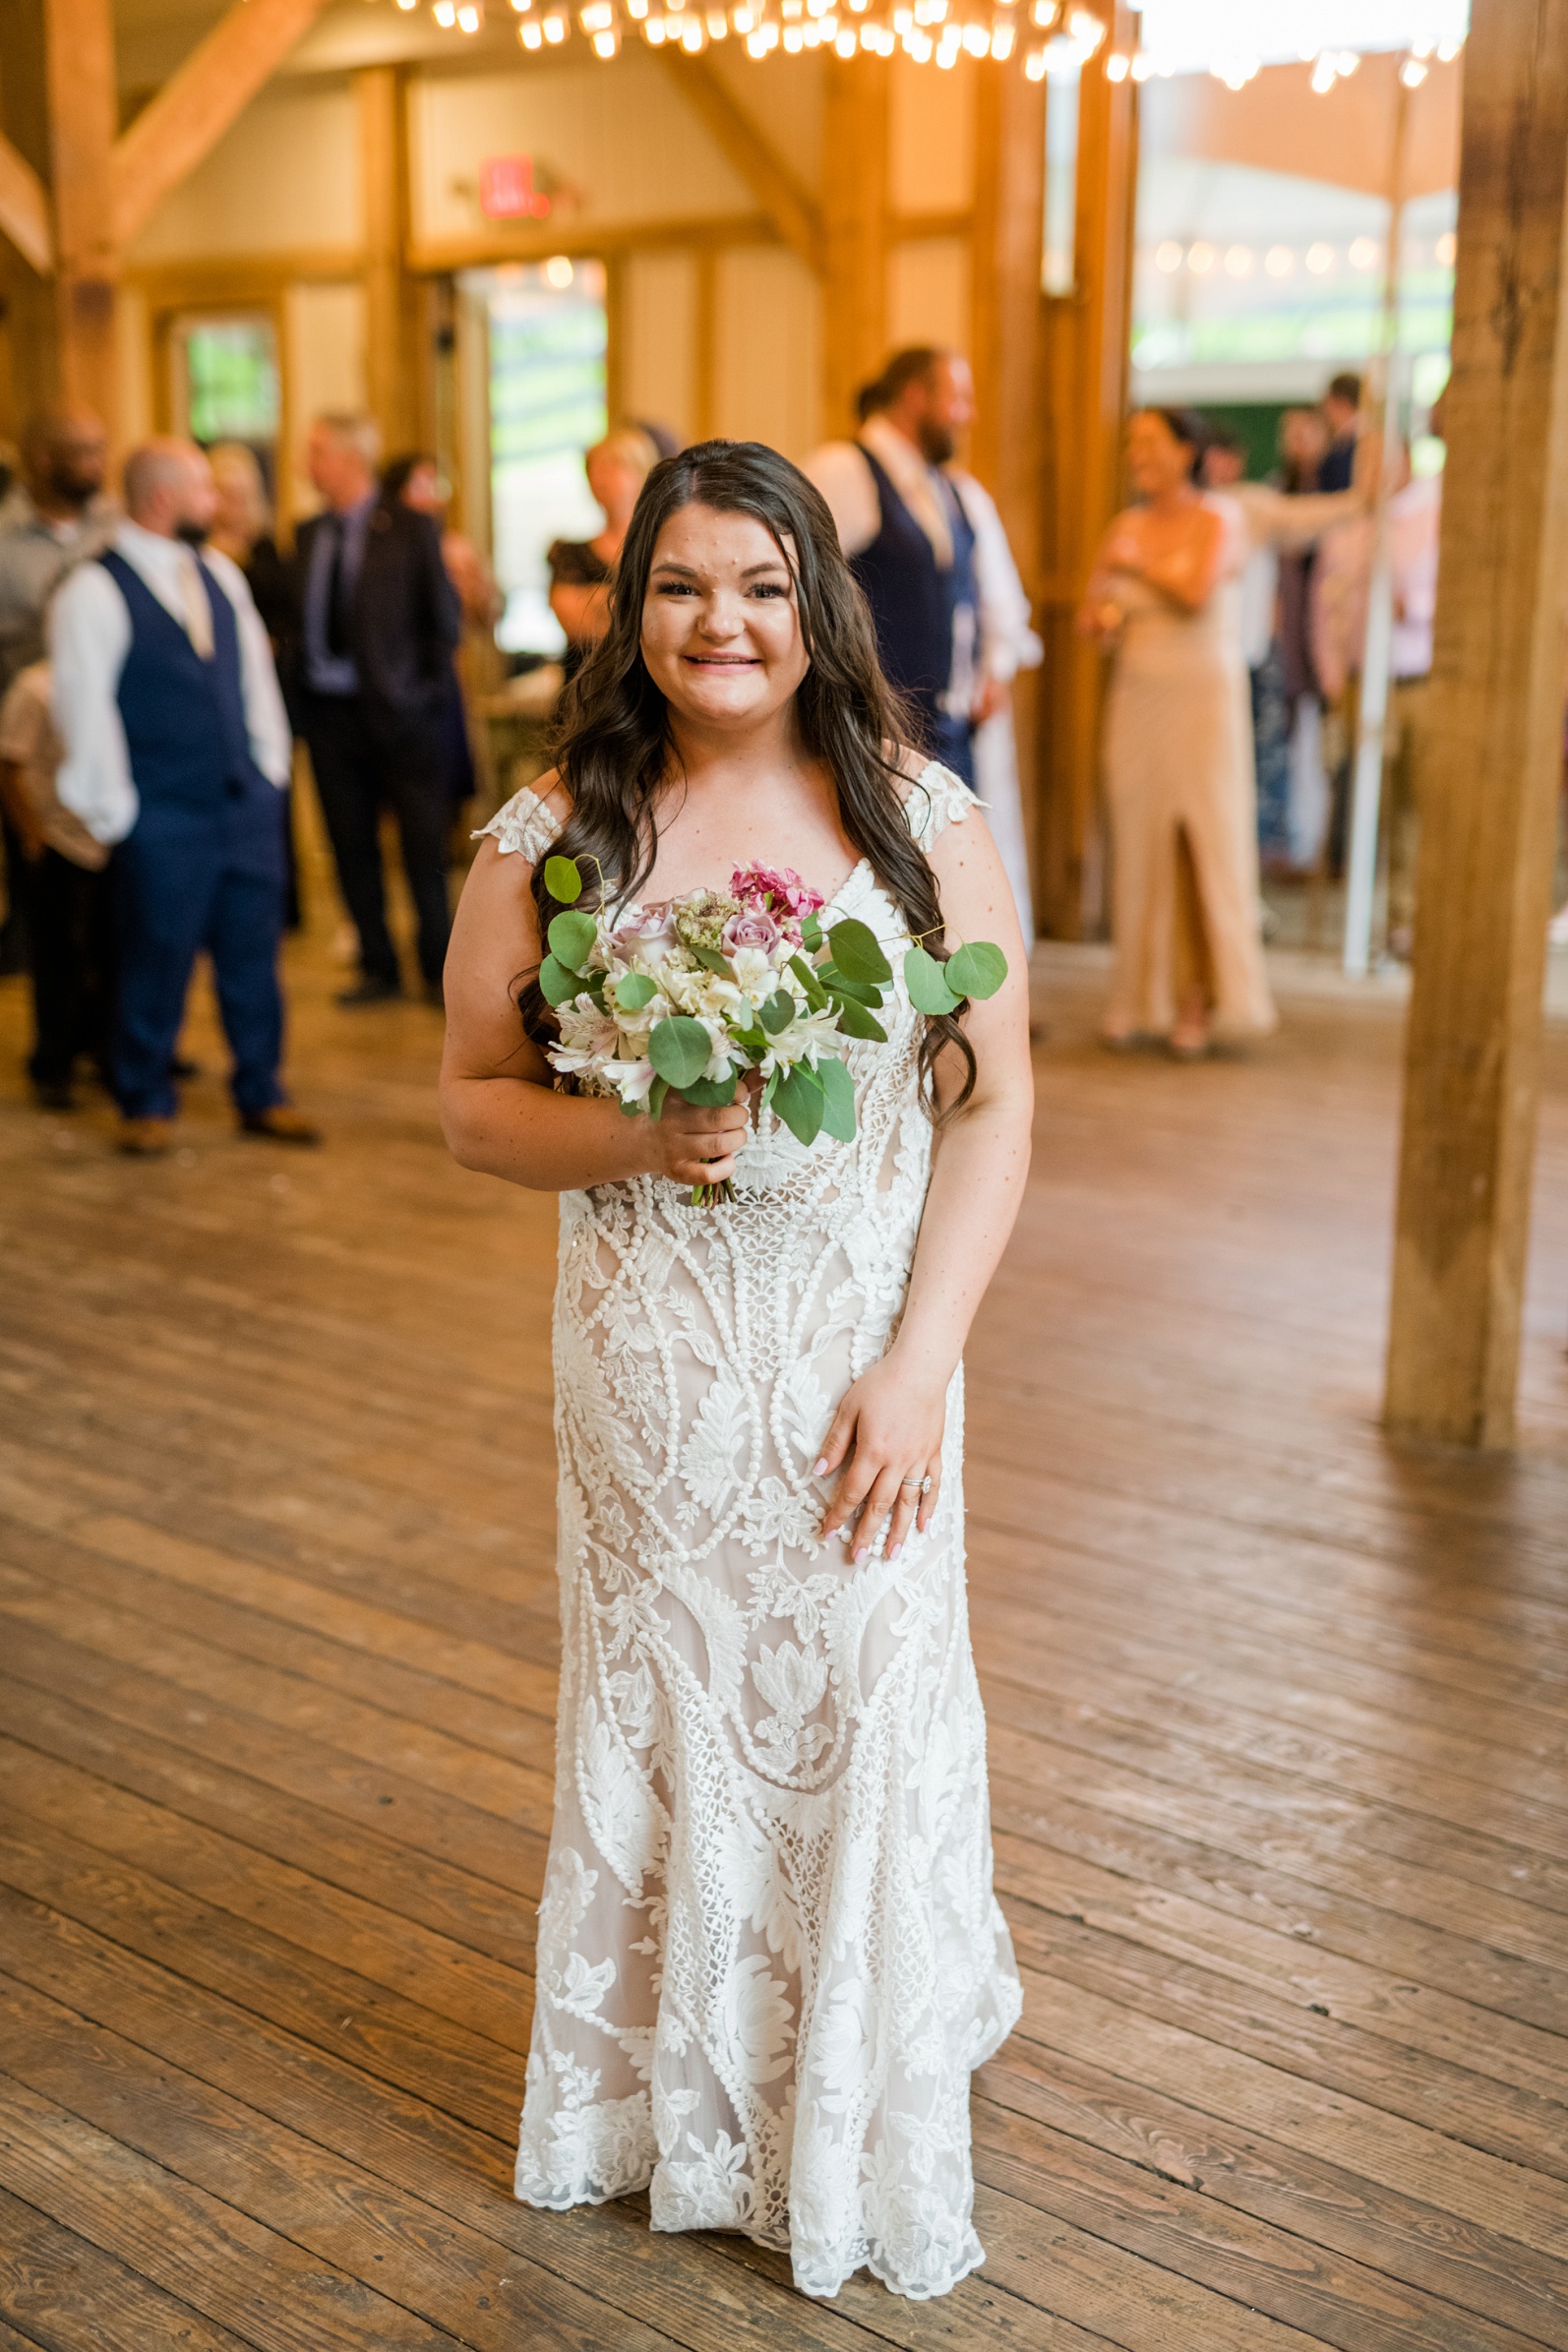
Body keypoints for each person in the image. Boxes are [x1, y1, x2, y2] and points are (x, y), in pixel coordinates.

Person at [439, 439, 1031, 2300]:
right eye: (683, 585)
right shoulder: (559, 831)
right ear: (634, 606)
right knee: (673, 1715)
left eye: (763, 586)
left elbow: (993, 1105)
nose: (724, 623)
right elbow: (470, 1104)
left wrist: (922, 1363)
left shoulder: (915, 815)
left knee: (860, 1693)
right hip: (651, 1380)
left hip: (862, 1371)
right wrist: (637, 1135)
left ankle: (849, 2093)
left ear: (815, 604)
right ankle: (673, 2107)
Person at [49, 438, 319, 1155]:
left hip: (244, 806)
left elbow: (254, 681)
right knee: (155, 959)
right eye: (205, 489)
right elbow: (82, 709)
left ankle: (262, 1090)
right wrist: (119, 814)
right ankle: (143, 1099)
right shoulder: (93, 590)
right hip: (160, 813)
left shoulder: (220, 572)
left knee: (253, 959)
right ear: (163, 498)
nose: (217, 502)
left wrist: (269, 771)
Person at [1080, 407, 1276, 1056]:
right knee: (1139, 841)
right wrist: (1108, 615)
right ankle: (1139, 996)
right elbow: (1091, 613)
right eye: (1131, 443)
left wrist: (1137, 566)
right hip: (1138, 693)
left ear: (1186, 450)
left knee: (1199, 839)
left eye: (1150, 442)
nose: (1137, 453)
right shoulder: (1126, 525)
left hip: (1203, 697)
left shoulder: (1220, 517)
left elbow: (1195, 591)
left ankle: (1198, 999)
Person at [294, 413, 460, 1006]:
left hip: (401, 714)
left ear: (349, 457)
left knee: (422, 851)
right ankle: (377, 966)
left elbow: (443, 622)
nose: (308, 463)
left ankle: (437, 970)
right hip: (328, 716)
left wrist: (417, 694)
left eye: (317, 451)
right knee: (349, 845)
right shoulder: (307, 533)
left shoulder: (411, 528)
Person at [804, 349, 991, 786]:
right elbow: (797, 586)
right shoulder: (843, 469)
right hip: (876, 738)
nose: (969, 416)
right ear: (914, 397)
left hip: (949, 734)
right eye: (958, 399)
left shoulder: (943, 486)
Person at [0, 407, 113, 970]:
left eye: (101, 449)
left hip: (108, 734)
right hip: (30, 739)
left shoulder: (117, 526)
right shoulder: (5, 539)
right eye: (83, 452)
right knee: (46, 897)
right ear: (43, 460)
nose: (98, 464)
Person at [0, 658, 113, 1109]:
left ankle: (103, 1049)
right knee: (57, 957)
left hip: (107, 837)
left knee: (110, 952)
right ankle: (53, 1063)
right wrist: (32, 835)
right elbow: (9, 764)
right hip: (56, 841)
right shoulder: (36, 688)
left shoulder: (116, 674)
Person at [208, 441, 305, 929]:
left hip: (268, 689)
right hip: (213, 693)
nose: (233, 502)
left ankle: (279, 902)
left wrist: (271, 643)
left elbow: (290, 619)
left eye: (242, 492)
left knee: (271, 789)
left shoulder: (269, 551)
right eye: (224, 491)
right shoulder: (196, 554)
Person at [944, 465, 1039, 939]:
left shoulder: (964, 495)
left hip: (965, 703)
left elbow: (1000, 597)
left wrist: (995, 669)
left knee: (979, 827)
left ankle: (994, 949)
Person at [547, 427, 660, 684]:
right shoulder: (569, 552)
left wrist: (593, 601)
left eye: (612, 468)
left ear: (640, 472)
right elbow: (571, 622)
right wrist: (640, 608)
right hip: (586, 687)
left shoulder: (663, 550)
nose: (600, 479)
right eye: (593, 470)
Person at [1318, 372, 1363, 494]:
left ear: (1341, 402)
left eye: (1328, 402)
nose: (1325, 409)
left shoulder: (1359, 443)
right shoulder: (1340, 443)